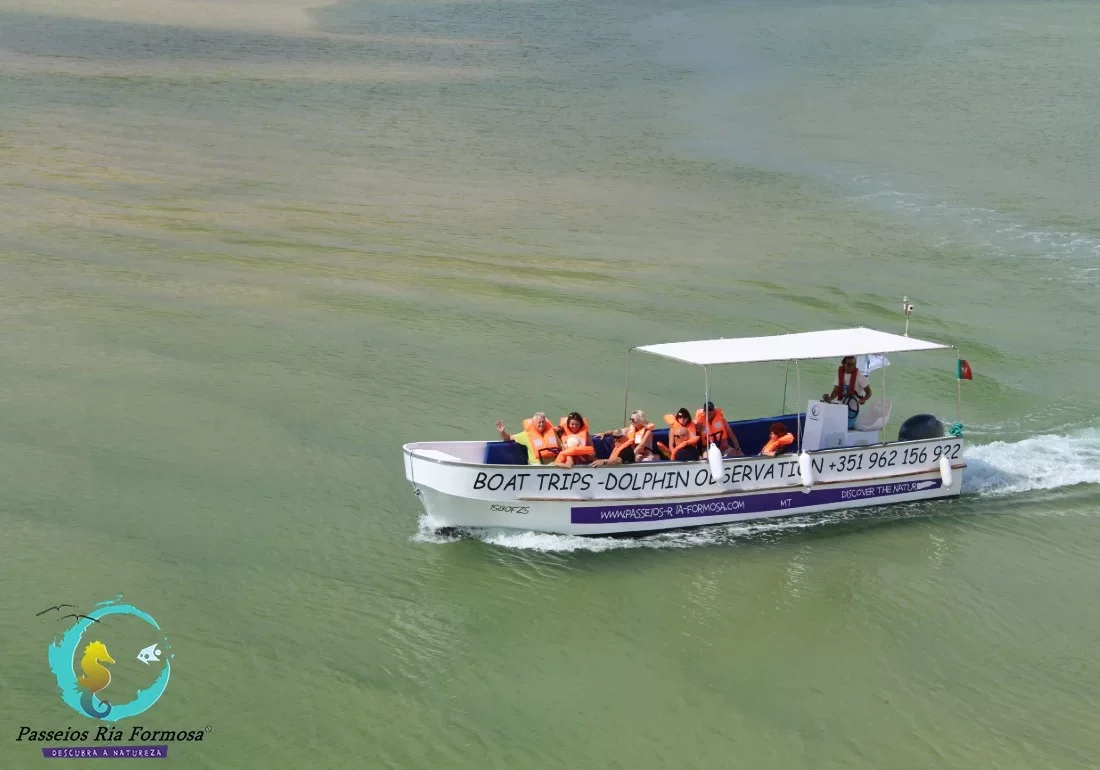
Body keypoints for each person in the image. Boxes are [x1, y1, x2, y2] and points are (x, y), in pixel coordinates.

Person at [592, 410, 656, 467]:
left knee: (627, 459)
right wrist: (604, 433)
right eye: (630, 419)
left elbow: (641, 446)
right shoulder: (631, 428)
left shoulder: (648, 432)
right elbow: (618, 430)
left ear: (640, 420)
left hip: (645, 456)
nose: (631, 421)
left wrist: (631, 456)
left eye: (633, 420)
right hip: (632, 454)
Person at [823, 356, 872, 429]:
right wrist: (829, 398)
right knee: (839, 426)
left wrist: (864, 399)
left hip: (853, 407)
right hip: (842, 405)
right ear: (843, 364)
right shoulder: (839, 374)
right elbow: (836, 390)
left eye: (853, 364)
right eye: (849, 364)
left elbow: (869, 391)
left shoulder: (859, 376)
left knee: (848, 427)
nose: (851, 366)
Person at [495, 412, 560, 465]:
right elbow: (508, 438)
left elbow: (561, 447)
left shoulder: (552, 433)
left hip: (552, 465)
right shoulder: (526, 434)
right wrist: (502, 432)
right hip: (536, 466)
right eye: (539, 422)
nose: (541, 424)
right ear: (534, 423)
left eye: (543, 422)